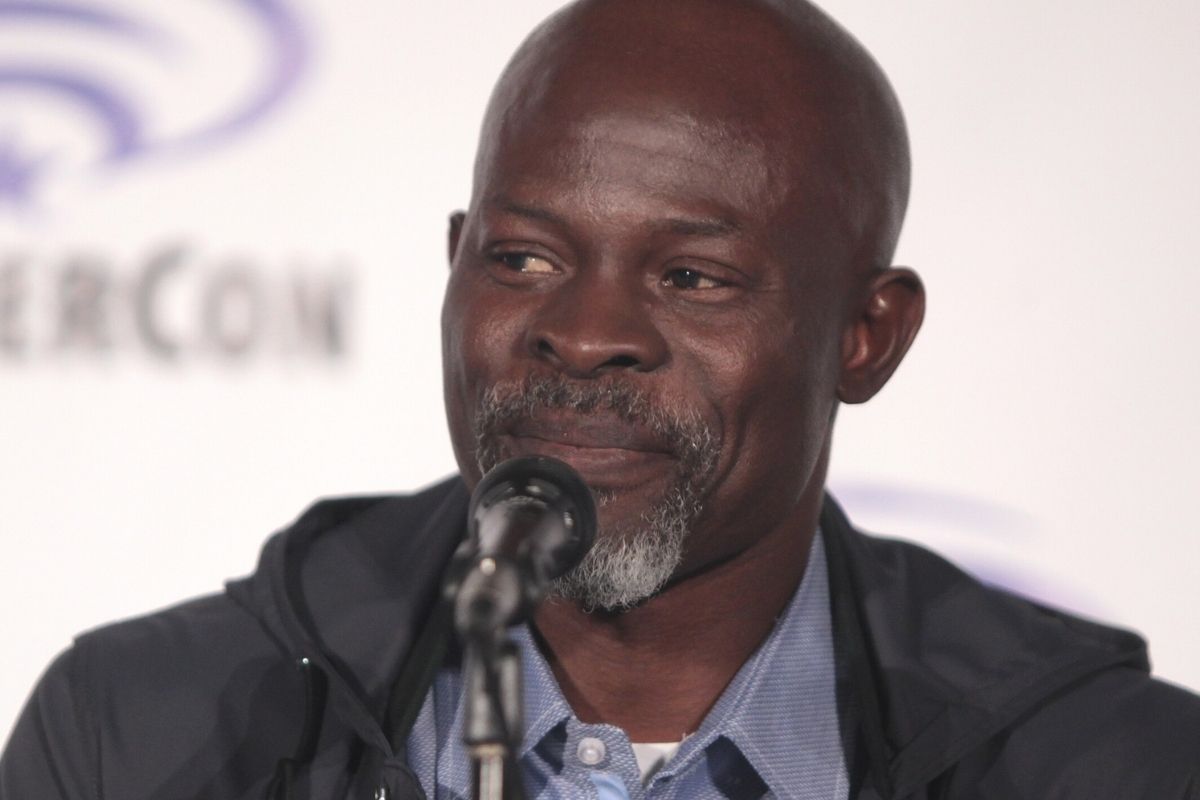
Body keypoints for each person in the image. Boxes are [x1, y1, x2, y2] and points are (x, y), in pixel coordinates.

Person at [3, 0, 1198, 798]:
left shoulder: (1108, 766)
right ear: (456, 257)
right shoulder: (138, 734)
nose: (584, 333)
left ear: (865, 337)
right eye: (523, 258)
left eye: (692, 276)